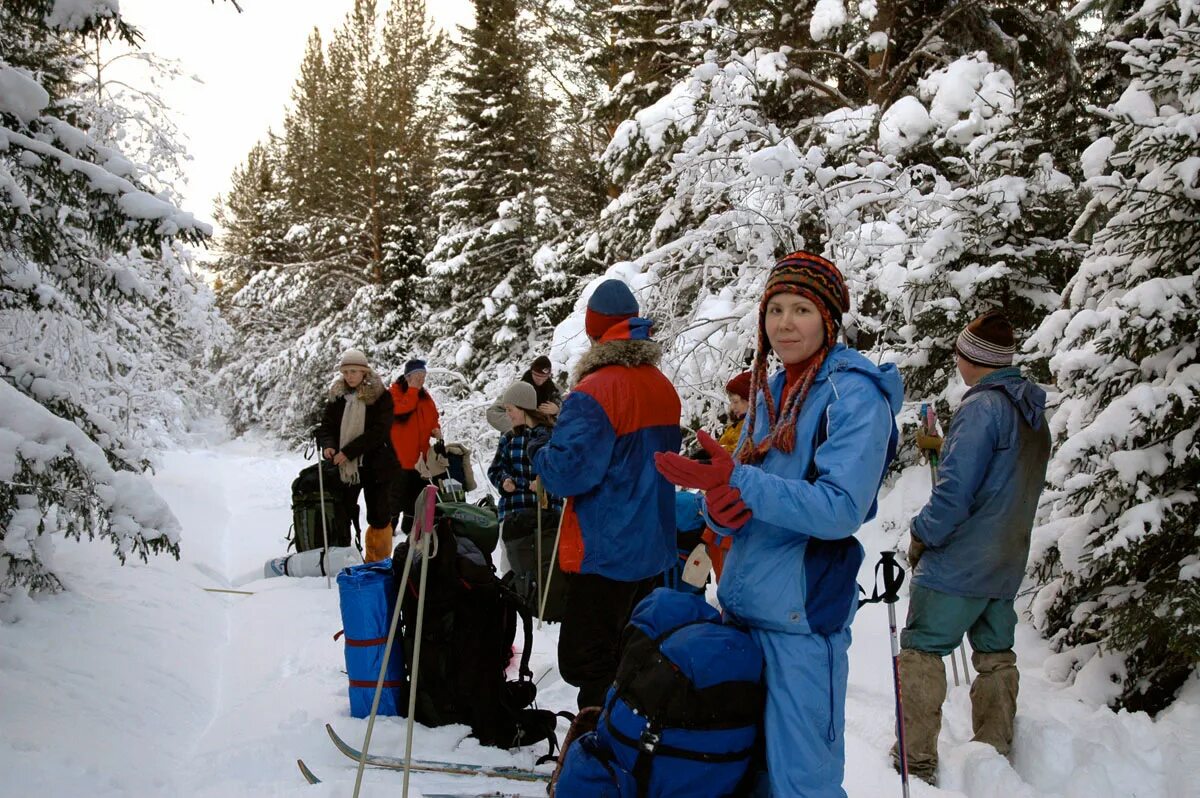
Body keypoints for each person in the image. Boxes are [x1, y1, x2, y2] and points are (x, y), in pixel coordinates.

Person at [656, 252, 902, 797]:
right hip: (743, 612)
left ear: (829, 320)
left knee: (801, 784)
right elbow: (748, 486)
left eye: (802, 310)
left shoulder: (855, 396)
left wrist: (740, 485)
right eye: (775, 310)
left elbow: (840, 508)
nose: (785, 324)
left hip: (801, 622)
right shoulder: (773, 393)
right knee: (742, 776)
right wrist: (718, 506)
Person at [895, 310, 1051, 785]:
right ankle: (995, 747)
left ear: (972, 359)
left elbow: (956, 490)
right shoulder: (1031, 414)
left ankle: (916, 761)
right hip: (1006, 560)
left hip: (960, 563)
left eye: (961, 354)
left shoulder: (982, 408)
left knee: (922, 649)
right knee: (996, 654)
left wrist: (923, 532)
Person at [530, 278, 682, 709]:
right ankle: (627, 740)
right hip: (651, 544)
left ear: (595, 332)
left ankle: (596, 752)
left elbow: (568, 474)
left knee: (586, 661)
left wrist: (542, 450)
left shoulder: (594, 391)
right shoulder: (660, 384)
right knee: (629, 652)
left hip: (606, 548)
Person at [487, 381, 564, 615]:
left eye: (510, 410)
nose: (508, 415)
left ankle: (543, 606)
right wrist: (504, 481)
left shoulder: (549, 436)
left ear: (523, 408)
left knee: (543, 564)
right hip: (513, 511)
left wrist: (544, 485)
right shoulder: (509, 438)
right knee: (510, 566)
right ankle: (511, 612)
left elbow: (561, 473)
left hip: (544, 514)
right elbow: (495, 469)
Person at [316, 349, 398, 563]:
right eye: (345, 371)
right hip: (344, 468)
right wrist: (329, 447)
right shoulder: (337, 396)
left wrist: (348, 452)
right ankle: (344, 559)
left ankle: (377, 562)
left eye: (354, 371)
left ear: (364, 372)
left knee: (379, 516)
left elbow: (379, 432)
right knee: (342, 513)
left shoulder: (381, 396)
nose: (349, 376)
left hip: (377, 464)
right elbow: (326, 427)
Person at [388, 359, 441, 534]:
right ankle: (388, 530)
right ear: (408, 376)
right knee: (395, 498)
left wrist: (436, 430)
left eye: (423, 376)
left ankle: (409, 530)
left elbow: (433, 417)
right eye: (418, 375)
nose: (421, 379)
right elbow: (401, 410)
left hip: (420, 459)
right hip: (399, 457)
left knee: (415, 498)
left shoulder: (425, 396)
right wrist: (412, 390)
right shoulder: (394, 393)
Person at [486, 354, 564, 433]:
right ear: (531, 373)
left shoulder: (557, 391)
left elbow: (571, 416)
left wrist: (557, 411)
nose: (540, 381)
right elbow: (492, 413)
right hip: (517, 441)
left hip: (548, 440)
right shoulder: (516, 390)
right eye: (537, 377)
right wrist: (522, 424)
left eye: (544, 378)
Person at [718, 370, 752, 453]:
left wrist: (716, 449)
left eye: (735, 401)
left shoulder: (754, 427)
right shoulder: (735, 426)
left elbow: (741, 451)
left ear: (750, 400)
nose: (732, 407)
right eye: (731, 402)